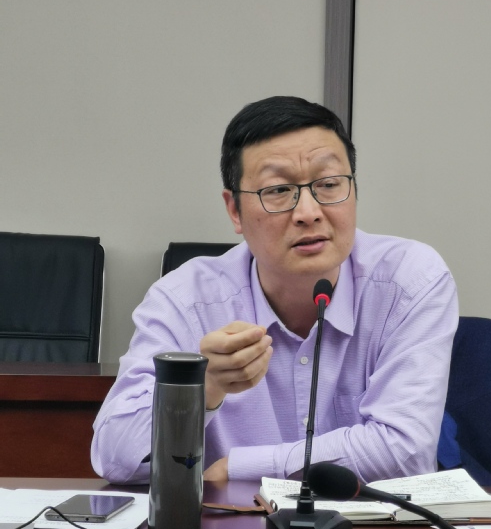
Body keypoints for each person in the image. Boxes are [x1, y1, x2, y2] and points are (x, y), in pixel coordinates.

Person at [92, 96, 458, 484]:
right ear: (235, 210)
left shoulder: (409, 282)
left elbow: (405, 453)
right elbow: (114, 456)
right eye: (279, 190)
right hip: (228, 524)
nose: (309, 213)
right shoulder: (186, 301)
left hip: (370, 522)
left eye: (329, 184)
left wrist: (240, 467)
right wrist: (202, 388)